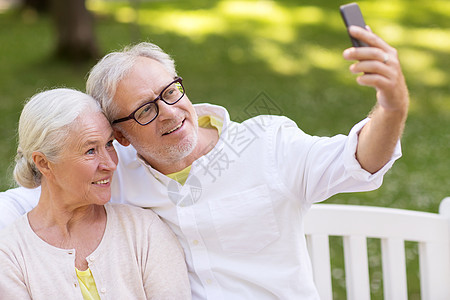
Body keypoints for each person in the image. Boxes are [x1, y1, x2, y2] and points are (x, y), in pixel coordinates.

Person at [0, 26, 409, 299]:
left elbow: (358, 160)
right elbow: (32, 200)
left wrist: (391, 108)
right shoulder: (114, 169)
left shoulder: (266, 145)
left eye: (171, 92)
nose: (170, 113)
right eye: (145, 109)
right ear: (121, 135)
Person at [0, 88, 191, 299]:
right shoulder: (9, 255)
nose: (110, 164)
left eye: (109, 144)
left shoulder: (144, 232)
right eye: (90, 151)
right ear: (44, 163)